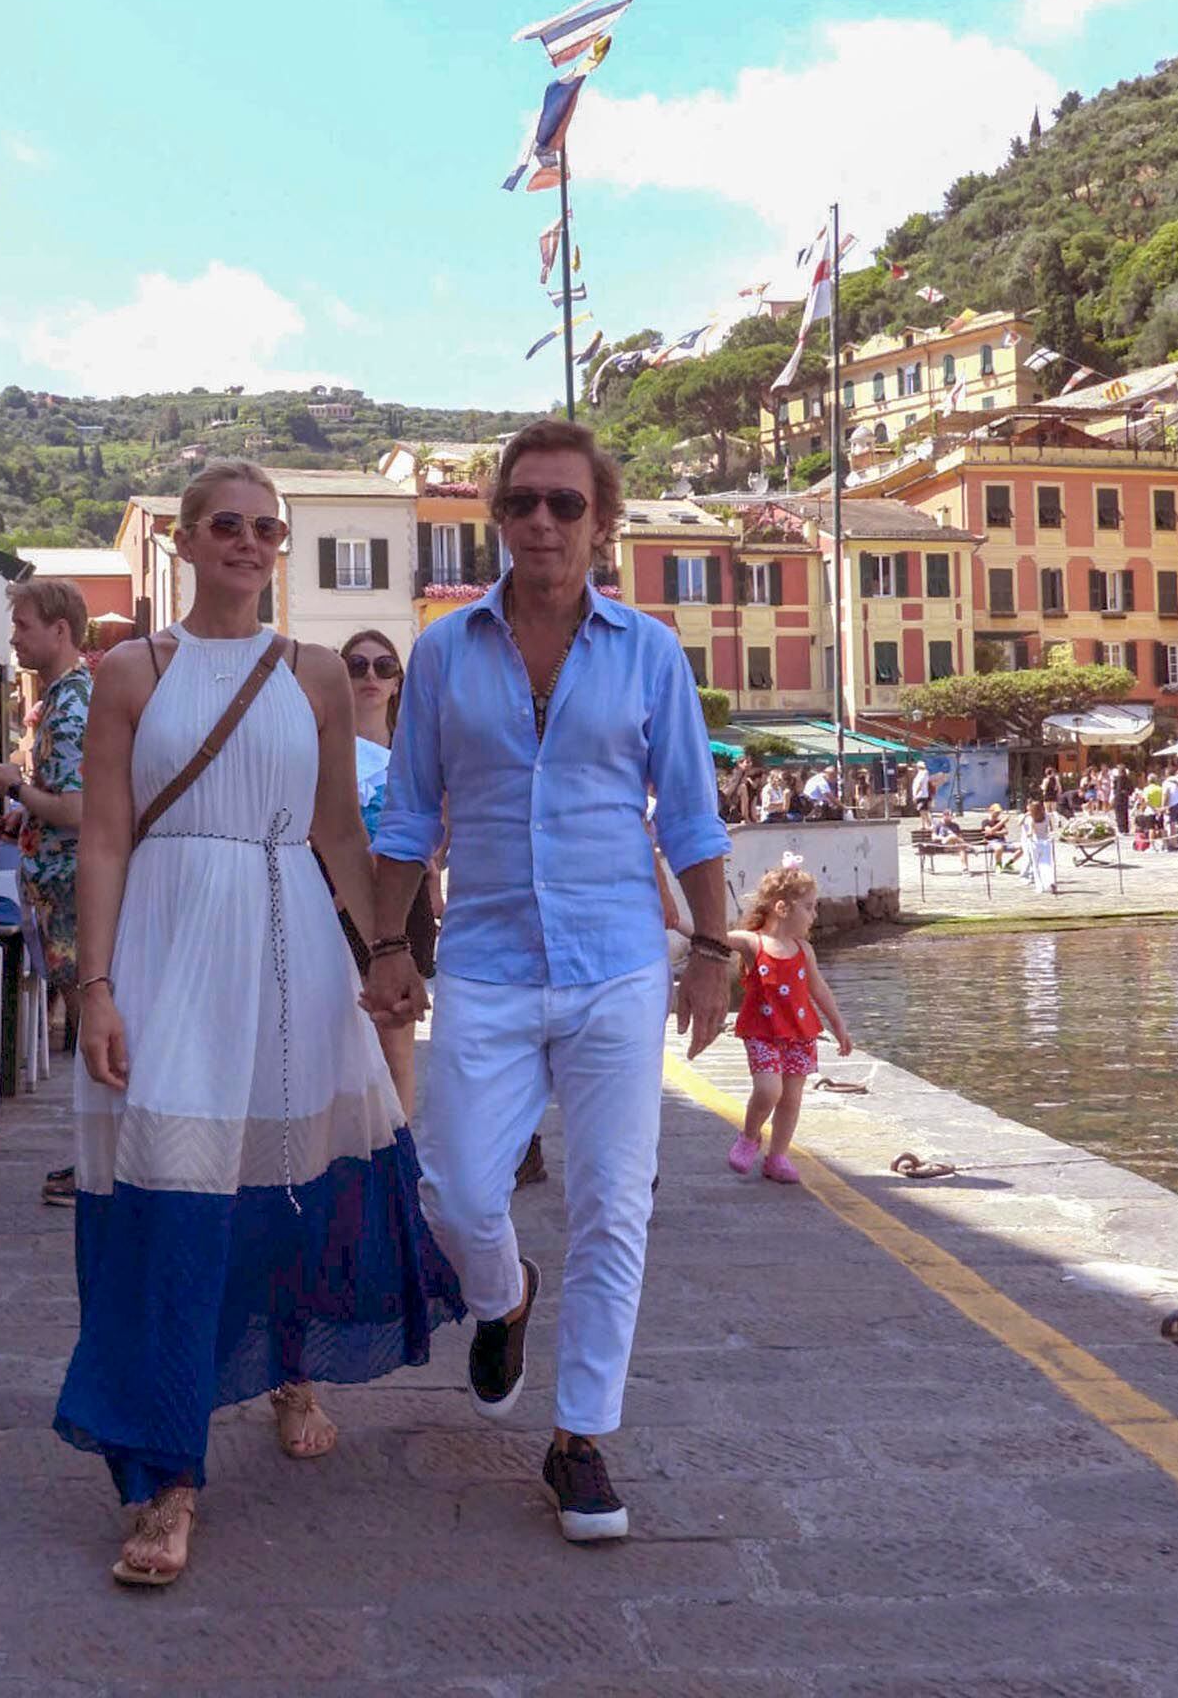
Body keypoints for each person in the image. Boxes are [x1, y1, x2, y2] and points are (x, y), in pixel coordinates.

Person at [54, 460, 461, 1588]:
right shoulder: (132, 670)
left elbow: (338, 831)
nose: (247, 542)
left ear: (281, 547)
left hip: (289, 944)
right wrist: (96, 987)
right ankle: (166, 1477)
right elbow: (104, 838)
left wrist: (385, 949)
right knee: (170, 1193)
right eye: (224, 525)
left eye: (266, 529)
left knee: (291, 1178)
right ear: (185, 542)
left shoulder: (316, 672)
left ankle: (291, 1367)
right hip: (170, 940)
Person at [364, 419, 730, 1543]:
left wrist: (714, 953)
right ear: (498, 519)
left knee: (614, 1203)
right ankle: (504, 1295)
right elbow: (409, 815)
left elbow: (691, 814)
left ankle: (580, 1438)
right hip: (485, 960)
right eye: (522, 501)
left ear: (601, 524)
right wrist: (385, 946)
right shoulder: (443, 653)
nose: (541, 521)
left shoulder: (649, 653)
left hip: (617, 961)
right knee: (452, 1193)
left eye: (565, 504)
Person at [0, 579, 92, 1212]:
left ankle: (99, 1166)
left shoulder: (72, 706)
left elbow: (78, 812)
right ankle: (97, 1160)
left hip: (76, 897)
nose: (15, 637)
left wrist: (14, 787)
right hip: (65, 893)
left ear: (60, 630)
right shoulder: (63, 699)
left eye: (23, 625)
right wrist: (27, 816)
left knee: (92, 1026)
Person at [321, 627, 437, 1120]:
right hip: (331, 902)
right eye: (357, 666)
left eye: (384, 666)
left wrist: (430, 869)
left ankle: (400, 1152)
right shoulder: (319, 749)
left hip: (402, 903)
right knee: (332, 1043)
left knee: (396, 1048)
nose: (371, 675)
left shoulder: (418, 751)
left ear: (397, 682)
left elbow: (443, 820)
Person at [725, 859, 852, 1184]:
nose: (814, 915)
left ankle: (777, 1157)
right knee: (769, 1089)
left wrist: (838, 1025)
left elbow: (818, 989)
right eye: (808, 907)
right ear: (782, 908)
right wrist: (675, 921)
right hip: (762, 1031)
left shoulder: (803, 950)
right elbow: (713, 937)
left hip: (799, 1033)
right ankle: (750, 1136)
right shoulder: (754, 943)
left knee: (791, 1098)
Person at [1020, 798, 1058, 894]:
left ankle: (1040, 887)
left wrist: (1029, 835)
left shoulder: (1031, 818)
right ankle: (1050, 881)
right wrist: (1051, 836)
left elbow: (1031, 831)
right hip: (1046, 842)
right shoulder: (1047, 816)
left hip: (1035, 843)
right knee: (1047, 863)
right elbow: (1051, 829)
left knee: (1036, 865)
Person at [980, 803, 1021, 872]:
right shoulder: (985, 822)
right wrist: (1001, 824)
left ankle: (1009, 864)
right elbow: (989, 831)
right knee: (999, 847)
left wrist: (995, 833)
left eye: (999, 812)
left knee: (1022, 847)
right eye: (996, 812)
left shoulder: (999, 821)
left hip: (1003, 842)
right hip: (991, 842)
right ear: (991, 811)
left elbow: (1005, 832)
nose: (998, 814)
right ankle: (998, 865)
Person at [1162, 762, 1178, 833]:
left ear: (1167, 773)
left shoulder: (1166, 782)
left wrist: (1163, 806)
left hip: (1172, 804)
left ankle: (1174, 839)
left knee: (1172, 823)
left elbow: (1165, 795)